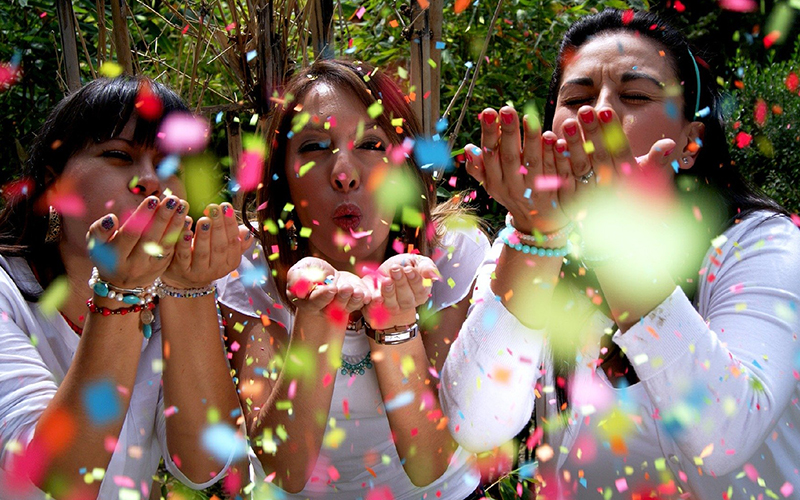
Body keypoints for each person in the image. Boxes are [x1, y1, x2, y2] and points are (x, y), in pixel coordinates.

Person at [439, 8, 800, 499]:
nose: (596, 115)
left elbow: (724, 437)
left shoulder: (762, 244)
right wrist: (536, 239)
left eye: (635, 95)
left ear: (691, 140)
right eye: (577, 98)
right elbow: (475, 424)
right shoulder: (527, 245)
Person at [216, 59, 489, 499]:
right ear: (282, 177)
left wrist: (395, 325)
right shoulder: (249, 268)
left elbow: (430, 460)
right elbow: (283, 468)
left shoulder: (451, 257)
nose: (344, 173)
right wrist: (316, 320)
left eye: (371, 144)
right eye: (314, 147)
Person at [0, 76, 250, 499]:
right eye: (118, 155)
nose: (150, 182)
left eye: (170, 163)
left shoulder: (165, 295)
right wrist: (120, 294)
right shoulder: (8, 293)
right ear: (53, 184)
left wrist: (188, 289)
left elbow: (207, 466)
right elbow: (61, 474)